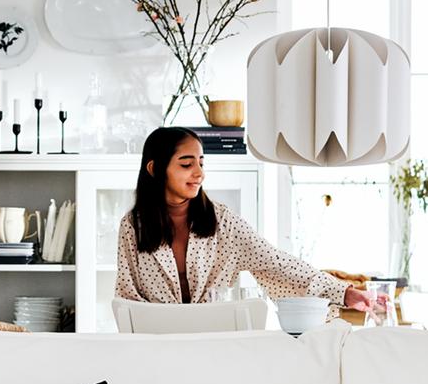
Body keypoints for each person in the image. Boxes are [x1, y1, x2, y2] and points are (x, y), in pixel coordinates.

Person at [116, 126, 381, 314]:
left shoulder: (222, 221)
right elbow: (127, 296)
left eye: (201, 163)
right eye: (186, 165)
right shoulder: (132, 226)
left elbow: (277, 263)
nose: (199, 173)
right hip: (155, 347)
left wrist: (342, 291)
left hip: (214, 344)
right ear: (154, 169)